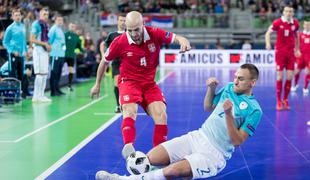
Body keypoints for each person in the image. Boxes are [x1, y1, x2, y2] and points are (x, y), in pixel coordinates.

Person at [96, 63, 263, 180]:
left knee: (172, 171)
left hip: (215, 153)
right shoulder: (228, 88)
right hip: (198, 136)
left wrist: (228, 115)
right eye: (235, 76)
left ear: (252, 83)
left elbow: (237, 142)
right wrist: (211, 89)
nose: (235, 81)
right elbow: (207, 106)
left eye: (240, 79)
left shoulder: (255, 110)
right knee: (150, 158)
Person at [90, 11, 191, 160]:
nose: (133, 34)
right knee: (130, 110)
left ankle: (158, 156)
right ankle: (128, 148)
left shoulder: (154, 33)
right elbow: (104, 62)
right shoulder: (120, 41)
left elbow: (176, 37)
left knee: (161, 114)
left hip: (149, 83)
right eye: (129, 30)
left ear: (143, 24)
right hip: (128, 81)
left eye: (136, 29)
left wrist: (183, 41)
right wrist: (97, 84)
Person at [265, 5, 300, 110]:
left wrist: (297, 49)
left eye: (291, 11)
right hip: (280, 53)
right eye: (287, 11)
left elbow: (297, 36)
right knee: (280, 77)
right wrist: (268, 43)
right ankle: (278, 101)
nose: (289, 13)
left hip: (290, 54)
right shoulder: (277, 22)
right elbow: (268, 33)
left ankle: (285, 99)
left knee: (289, 77)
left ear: (293, 13)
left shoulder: (295, 24)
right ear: (283, 12)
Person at [100, 14, 126, 113]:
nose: (123, 22)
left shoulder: (129, 33)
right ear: (117, 22)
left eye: (124, 20)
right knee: (117, 84)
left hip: (127, 63)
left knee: (127, 84)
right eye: (121, 20)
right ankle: (118, 105)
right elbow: (103, 44)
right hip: (116, 62)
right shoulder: (112, 35)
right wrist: (103, 55)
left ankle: (125, 102)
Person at [3, 9, 30, 98]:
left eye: (19, 15)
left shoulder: (22, 26)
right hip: (13, 55)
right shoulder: (10, 28)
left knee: (21, 74)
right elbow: (5, 42)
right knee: (12, 75)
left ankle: (20, 93)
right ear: (13, 17)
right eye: (16, 15)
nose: (18, 17)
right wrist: (12, 51)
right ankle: (12, 93)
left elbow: (24, 41)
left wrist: (26, 51)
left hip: (22, 55)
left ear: (21, 16)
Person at [30, 7, 52, 103]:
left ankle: (41, 95)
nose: (46, 16)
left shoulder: (45, 25)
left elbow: (46, 39)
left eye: (47, 14)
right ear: (40, 15)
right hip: (38, 51)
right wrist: (44, 44)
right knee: (39, 74)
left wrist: (48, 46)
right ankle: (36, 96)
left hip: (44, 51)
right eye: (44, 14)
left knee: (44, 73)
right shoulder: (36, 24)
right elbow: (32, 39)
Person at [48, 14, 66, 96]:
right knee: (54, 72)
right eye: (58, 20)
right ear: (55, 21)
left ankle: (57, 89)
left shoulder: (60, 30)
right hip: (55, 54)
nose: (60, 22)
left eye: (61, 20)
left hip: (61, 54)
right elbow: (49, 41)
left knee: (59, 73)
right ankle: (53, 91)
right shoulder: (53, 29)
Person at [291, 21, 310, 95]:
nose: (307, 26)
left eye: (308, 25)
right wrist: (296, 52)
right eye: (306, 25)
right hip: (301, 56)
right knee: (297, 71)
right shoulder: (299, 35)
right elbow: (296, 45)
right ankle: (295, 84)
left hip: (309, 56)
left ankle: (305, 87)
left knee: (308, 72)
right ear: (304, 26)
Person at [64, 23, 83, 91]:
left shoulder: (76, 37)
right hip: (63, 55)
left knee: (71, 70)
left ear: (75, 28)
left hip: (71, 56)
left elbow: (79, 47)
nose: (72, 28)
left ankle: (69, 85)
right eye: (71, 26)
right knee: (59, 69)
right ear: (69, 27)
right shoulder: (65, 34)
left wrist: (83, 52)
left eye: (74, 27)